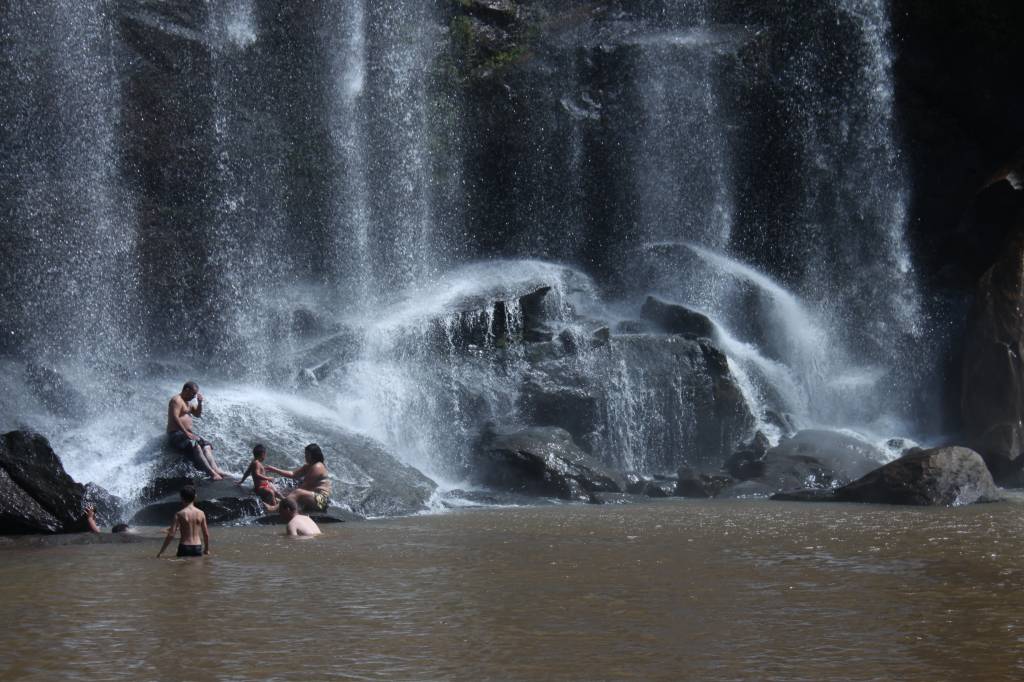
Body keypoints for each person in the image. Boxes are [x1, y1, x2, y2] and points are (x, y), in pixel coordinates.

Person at [167, 381, 226, 480]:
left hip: (187, 435)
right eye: (193, 393)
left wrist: (200, 403)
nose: (194, 396)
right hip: (176, 434)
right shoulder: (176, 400)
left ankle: (216, 469)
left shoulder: (188, 402)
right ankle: (212, 473)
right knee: (196, 445)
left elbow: (197, 414)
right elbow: (175, 417)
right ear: (186, 390)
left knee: (206, 445)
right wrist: (186, 433)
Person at [262, 443, 332, 514]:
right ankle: (282, 504)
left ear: (314, 455)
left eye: (307, 455)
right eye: (305, 454)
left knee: (297, 492)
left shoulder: (317, 466)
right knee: (291, 492)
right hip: (312, 497)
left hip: (322, 501)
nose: (305, 457)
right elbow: (293, 474)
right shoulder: (308, 466)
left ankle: (273, 509)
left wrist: (283, 497)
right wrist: (274, 469)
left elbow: (304, 487)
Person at [156, 485, 210, 558]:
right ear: (195, 496)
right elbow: (206, 534)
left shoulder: (179, 514)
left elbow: (171, 534)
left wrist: (161, 551)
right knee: (196, 565)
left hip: (185, 546)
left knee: (182, 565)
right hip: (197, 547)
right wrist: (206, 549)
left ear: (181, 498)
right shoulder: (201, 513)